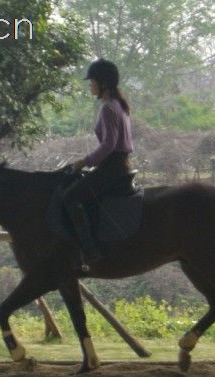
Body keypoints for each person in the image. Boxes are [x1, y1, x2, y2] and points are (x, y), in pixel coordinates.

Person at [63, 58, 134, 268]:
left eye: (92, 81)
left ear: (102, 82)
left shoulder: (108, 108)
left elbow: (109, 145)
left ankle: (90, 252)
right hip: (117, 164)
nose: (90, 85)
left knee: (71, 197)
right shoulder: (118, 105)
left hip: (112, 166)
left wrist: (83, 162)